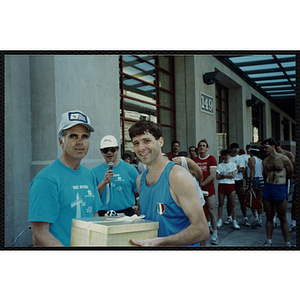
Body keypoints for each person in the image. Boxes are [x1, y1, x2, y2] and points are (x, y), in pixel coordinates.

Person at [128, 120, 209, 246]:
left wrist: (160, 242)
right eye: (136, 143)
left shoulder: (177, 176)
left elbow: (202, 230)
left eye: (146, 141)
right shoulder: (140, 180)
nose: (141, 148)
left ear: (160, 142)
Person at [28, 110, 102, 247]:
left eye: (85, 136)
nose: (80, 142)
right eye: (73, 136)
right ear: (61, 141)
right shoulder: (46, 180)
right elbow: (39, 234)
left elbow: (94, 216)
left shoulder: (89, 175)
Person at [91, 135, 139, 216]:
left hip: (126, 213)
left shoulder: (130, 169)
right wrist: (104, 182)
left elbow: (138, 192)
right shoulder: (94, 172)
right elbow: (92, 197)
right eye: (106, 150)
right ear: (102, 152)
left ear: (117, 150)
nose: (109, 153)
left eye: (112, 149)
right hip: (103, 214)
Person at [261, 138, 293, 246]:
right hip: (268, 187)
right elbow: (264, 175)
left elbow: (290, 174)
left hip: (280, 187)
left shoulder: (284, 159)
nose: (264, 149)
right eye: (263, 147)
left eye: (266, 146)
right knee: (269, 216)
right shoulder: (265, 161)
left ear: (273, 146)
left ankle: (287, 242)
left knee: (282, 216)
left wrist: (282, 184)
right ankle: (269, 240)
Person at [193, 140, 218, 241]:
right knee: (199, 212)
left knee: (211, 210)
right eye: (200, 146)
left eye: (204, 146)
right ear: (198, 148)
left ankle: (215, 234)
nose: (202, 147)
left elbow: (212, 175)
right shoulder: (194, 159)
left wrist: (202, 184)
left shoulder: (211, 159)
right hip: (197, 189)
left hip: (208, 188)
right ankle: (201, 233)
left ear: (207, 148)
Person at [227, 143, 250, 227]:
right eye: (234, 148)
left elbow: (241, 169)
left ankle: (245, 218)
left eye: (237, 148)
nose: (235, 150)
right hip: (230, 180)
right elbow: (226, 170)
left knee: (242, 199)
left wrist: (232, 168)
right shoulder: (228, 158)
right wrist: (235, 168)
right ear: (231, 149)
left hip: (238, 180)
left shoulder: (240, 158)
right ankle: (229, 217)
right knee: (230, 200)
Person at [216, 150, 239, 230]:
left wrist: (223, 175)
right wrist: (226, 175)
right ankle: (220, 219)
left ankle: (234, 220)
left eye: (228, 155)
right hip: (222, 184)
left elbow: (233, 175)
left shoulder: (233, 164)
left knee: (232, 203)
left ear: (229, 156)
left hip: (230, 184)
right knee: (221, 203)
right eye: (225, 155)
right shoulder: (219, 165)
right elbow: (217, 177)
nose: (226, 157)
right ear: (222, 156)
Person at [248, 146, 264, 227]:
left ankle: (256, 218)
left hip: (254, 179)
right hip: (261, 179)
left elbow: (252, 170)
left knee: (253, 199)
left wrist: (250, 181)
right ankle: (260, 219)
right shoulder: (260, 160)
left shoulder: (251, 159)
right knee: (259, 199)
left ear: (251, 152)